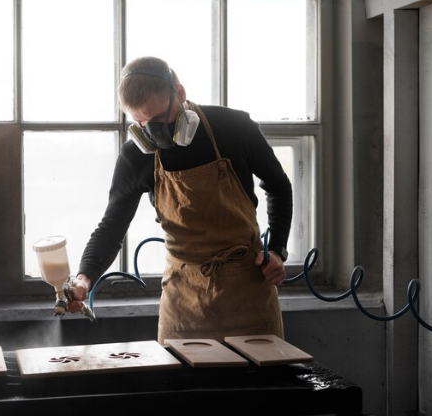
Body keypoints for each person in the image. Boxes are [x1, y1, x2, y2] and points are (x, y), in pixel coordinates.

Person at [68, 56, 293, 344]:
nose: (155, 134)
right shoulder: (136, 156)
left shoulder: (234, 127)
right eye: (142, 124)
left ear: (181, 93)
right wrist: (84, 278)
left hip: (248, 291)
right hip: (183, 300)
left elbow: (278, 186)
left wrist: (276, 250)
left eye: (161, 120)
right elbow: (112, 226)